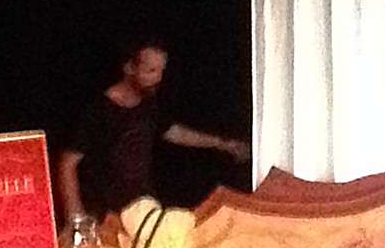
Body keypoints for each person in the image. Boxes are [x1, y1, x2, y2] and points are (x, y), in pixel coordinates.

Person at [55, 38, 248, 228]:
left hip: (142, 210)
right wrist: (76, 220)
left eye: (161, 71)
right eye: (151, 71)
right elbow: (67, 164)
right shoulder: (98, 110)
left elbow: (172, 131)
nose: (158, 78)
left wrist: (223, 144)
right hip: (104, 214)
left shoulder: (148, 102)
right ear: (129, 68)